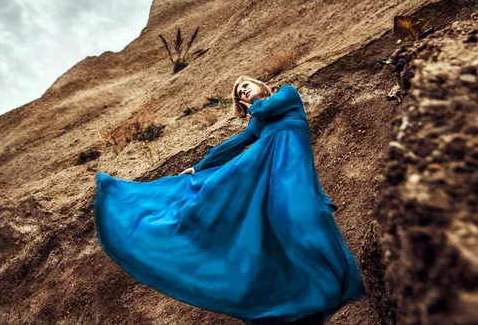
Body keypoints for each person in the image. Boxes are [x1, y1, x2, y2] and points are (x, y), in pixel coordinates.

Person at [94, 76, 366, 324]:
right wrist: (199, 167)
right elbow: (232, 145)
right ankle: (305, 297)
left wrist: (252, 104)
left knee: (302, 217)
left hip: (292, 170)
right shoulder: (256, 120)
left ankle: (335, 282)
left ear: (260, 85)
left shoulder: (286, 95)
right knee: (269, 221)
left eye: (246, 85)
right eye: (239, 92)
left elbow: (267, 108)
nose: (242, 90)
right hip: (262, 172)